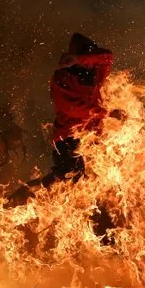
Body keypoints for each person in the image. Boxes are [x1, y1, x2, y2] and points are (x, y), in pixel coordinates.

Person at [42, 32, 124, 187]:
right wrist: (107, 113)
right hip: (69, 138)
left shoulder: (94, 72)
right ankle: (39, 191)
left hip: (93, 137)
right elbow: (74, 108)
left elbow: (108, 57)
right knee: (71, 178)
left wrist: (79, 59)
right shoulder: (61, 77)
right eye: (85, 55)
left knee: (102, 180)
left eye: (90, 56)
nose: (89, 62)